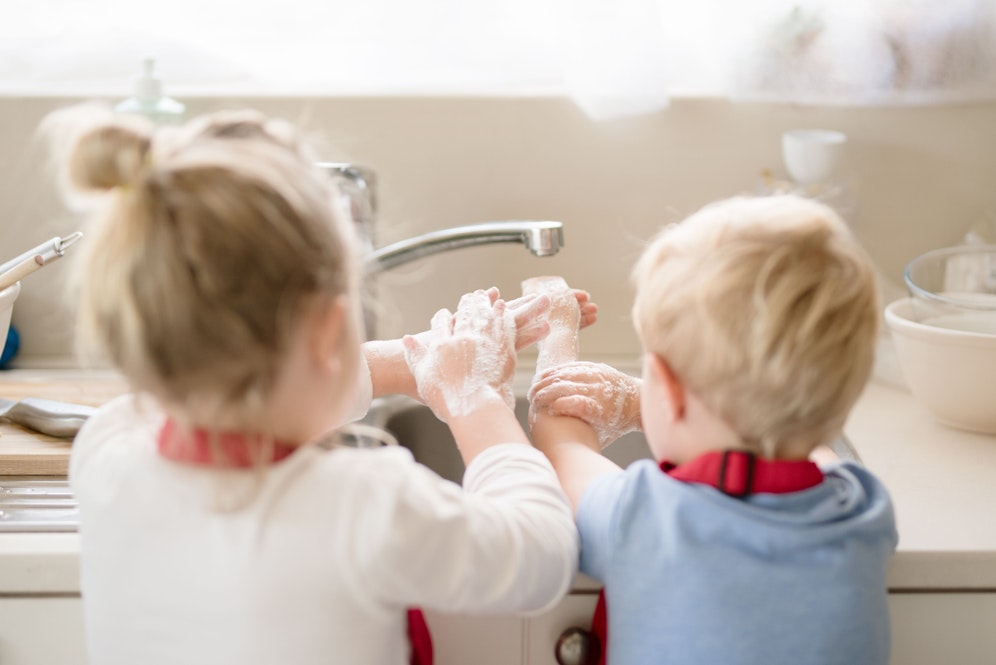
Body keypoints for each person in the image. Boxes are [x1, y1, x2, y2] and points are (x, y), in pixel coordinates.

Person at [51, 105, 593, 665]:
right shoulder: (365, 504)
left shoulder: (106, 452)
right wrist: (474, 400)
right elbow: (538, 555)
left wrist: (407, 363)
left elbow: (229, 390)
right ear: (330, 327)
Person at [527, 195, 898, 665]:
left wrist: (557, 333)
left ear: (668, 389)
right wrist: (657, 402)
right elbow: (805, 437)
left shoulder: (646, 517)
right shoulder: (862, 510)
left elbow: (560, 446)